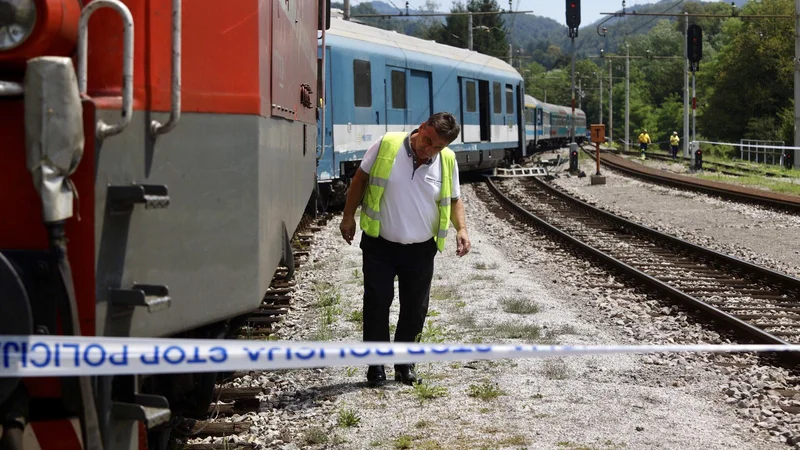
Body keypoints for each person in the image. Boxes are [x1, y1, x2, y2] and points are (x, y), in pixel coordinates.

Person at [339, 112, 471, 387]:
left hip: (421, 249)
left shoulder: (446, 161)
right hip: (380, 244)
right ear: (421, 128)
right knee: (377, 304)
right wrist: (348, 216)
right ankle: (375, 367)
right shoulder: (387, 144)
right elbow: (359, 180)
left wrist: (462, 229)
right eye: (427, 140)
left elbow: (455, 199)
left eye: (438, 147)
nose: (429, 150)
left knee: (415, 309)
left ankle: (404, 365)